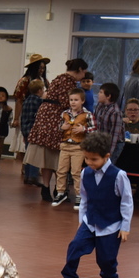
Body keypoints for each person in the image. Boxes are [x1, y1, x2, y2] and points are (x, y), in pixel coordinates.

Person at [54, 132, 133, 278]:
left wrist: (125, 226)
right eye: (86, 159)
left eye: (94, 159)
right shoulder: (85, 173)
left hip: (111, 224)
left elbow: (126, 202)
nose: (89, 162)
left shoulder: (119, 175)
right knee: (75, 247)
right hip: (89, 222)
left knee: (106, 257)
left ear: (106, 156)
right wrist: (82, 219)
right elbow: (84, 198)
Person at [25, 58, 88, 201]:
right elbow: (68, 103)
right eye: (83, 72)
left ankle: (47, 187)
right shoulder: (68, 81)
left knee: (48, 156)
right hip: (55, 118)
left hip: (46, 116)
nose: (84, 75)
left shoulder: (59, 78)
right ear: (78, 70)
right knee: (59, 156)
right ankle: (59, 189)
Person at [51, 88, 95, 209]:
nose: (73, 102)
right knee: (61, 170)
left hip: (78, 147)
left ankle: (79, 195)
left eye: (76, 100)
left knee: (76, 172)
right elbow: (58, 128)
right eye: (71, 100)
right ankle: (60, 192)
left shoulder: (87, 115)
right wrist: (62, 127)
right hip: (65, 145)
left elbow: (94, 130)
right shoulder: (65, 113)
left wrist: (84, 129)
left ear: (82, 101)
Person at [12, 54, 50, 182]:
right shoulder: (25, 80)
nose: (42, 70)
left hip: (35, 117)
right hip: (29, 117)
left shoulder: (44, 80)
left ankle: (31, 173)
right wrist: (16, 118)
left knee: (30, 147)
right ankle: (30, 173)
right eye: (39, 67)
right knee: (30, 148)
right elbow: (18, 99)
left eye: (43, 68)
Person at [18, 79, 46, 185]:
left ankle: (27, 175)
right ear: (39, 90)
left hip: (26, 131)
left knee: (28, 154)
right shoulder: (39, 102)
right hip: (35, 132)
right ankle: (33, 176)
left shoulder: (26, 100)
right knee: (35, 155)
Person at [94, 82, 124, 162]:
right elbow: (95, 124)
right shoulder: (99, 106)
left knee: (106, 166)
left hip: (114, 143)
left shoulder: (115, 112)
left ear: (108, 96)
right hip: (102, 141)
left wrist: (109, 153)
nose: (98, 94)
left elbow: (114, 135)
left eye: (101, 92)